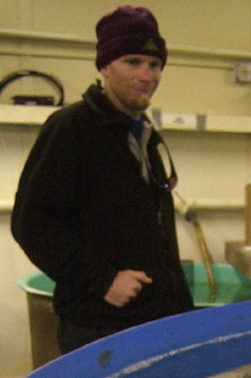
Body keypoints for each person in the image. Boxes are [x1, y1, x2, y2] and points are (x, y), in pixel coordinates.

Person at [11, 6, 194, 354]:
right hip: (99, 329)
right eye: (133, 62)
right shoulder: (71, 129)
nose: (147, 75)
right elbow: (31, 223)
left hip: (154, 322)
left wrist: (181, 313)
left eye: (155, 65)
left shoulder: (144, 137)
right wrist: (103, 280)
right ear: (105, 66)